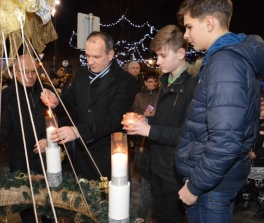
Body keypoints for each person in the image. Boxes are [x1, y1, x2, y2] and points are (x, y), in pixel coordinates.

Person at [175, 0, 264, 222]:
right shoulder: (225, 58)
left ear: (208, 23)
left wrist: (195, 186)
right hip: (214, 179)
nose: (186, 35)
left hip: (210, 185)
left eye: (188, 26)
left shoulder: (224, 62)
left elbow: (226, 140)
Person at [122, 25, 198, 223]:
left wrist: (149, 130)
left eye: (163, 56)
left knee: (171, 217)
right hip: (157, 164)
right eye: (157, 56)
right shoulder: (166, 80)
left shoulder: (192, 84)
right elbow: (165, 121)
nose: (158, 61)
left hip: (176, 168)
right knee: (159, 214)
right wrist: (145, 120)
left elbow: (187, 133)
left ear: (181, 53)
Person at [41, 31, 136, 180]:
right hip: (82, 154)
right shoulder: (82, 74)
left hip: (109, 156)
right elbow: (68, 101)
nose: (90, 62)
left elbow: (113, 120)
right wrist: (56, 101)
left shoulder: (125, 81)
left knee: (108, 201)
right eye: (87, 56)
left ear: (110, 55)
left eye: (96, 57)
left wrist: (77, 131)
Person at [0, 54, 54, 223]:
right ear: (15, 72)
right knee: (26, 210)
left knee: (49, 209)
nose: (30, 76)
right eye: (24, 72)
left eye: (33, 71)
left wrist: (48, 139)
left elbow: (57, 119)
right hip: (20, 161)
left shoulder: (45, 90)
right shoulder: (7, 96)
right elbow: (1, 128)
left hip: (46, 160)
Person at [130, 70, 159, 223]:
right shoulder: (140, 95)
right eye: (150, 81)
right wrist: (143, 115)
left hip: (156, 135)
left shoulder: (161, 94)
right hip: (142, 136)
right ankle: (141, 214)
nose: (153, 84)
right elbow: (134, 111)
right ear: (145, 82)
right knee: (144, 172)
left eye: (155, 81)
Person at [233, 98, 264, 220]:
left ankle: (262, 208)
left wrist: (257, 154)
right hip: (245, 162)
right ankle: (246, 203)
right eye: (261, 110)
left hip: (260, 162)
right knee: (245, 184)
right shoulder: (249, 125)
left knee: (260, 186)